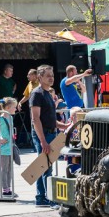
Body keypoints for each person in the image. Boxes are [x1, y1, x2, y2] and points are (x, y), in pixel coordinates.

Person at [30, 65, 67, 208]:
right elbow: (36, 119)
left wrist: (63, 126)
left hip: (50, 132)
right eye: (48, 76)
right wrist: (43, 141)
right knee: (46, 167)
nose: (51, 78)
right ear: (40, 78)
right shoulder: (37, 94)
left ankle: (40, 198)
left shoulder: (48, 94)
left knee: (41, 166)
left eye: (52, 75)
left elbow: (50, 118)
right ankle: (50, 199)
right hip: (43, 134)